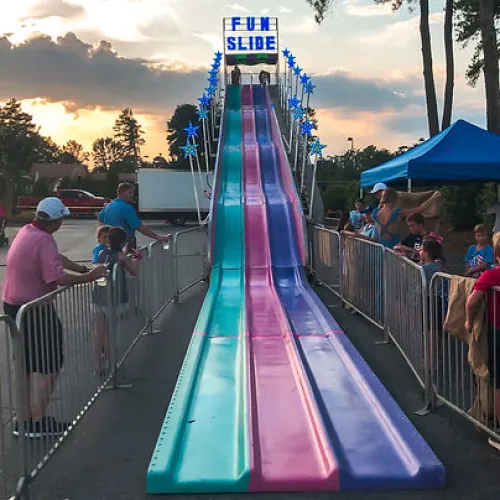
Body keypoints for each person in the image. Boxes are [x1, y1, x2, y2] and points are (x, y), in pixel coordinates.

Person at [3, 197, 107, 438]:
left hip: (14, 305)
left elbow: (56, 258)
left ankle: (24, 418)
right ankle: (37, 421)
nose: (63, 221)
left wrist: (82, 269)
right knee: (51, 361)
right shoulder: (43, 239)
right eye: (62, 218)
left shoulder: (27, 231)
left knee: (25, 363)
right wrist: (89, 278)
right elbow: (57, 279)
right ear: (55, 220)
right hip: (34, 308)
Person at [466, 234, 500, 451]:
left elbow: (472, 300)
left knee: (498, 383)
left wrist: (469, 320)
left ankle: (498, 430)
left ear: (496, 254)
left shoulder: (492, 274)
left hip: (497, 330)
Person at [92, 227, 140, 377]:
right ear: (123, 241)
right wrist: (136, 259)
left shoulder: (101, 253)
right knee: (112, 332)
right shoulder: (121, 256)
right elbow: (134, 271)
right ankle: (113, 363)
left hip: (99, 296)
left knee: (100, 332)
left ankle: (98, 365)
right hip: (114, 297)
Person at [98, 183, 170, 251]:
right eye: (130, 192)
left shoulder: (109, 206)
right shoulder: (126, 208)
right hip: (125, 245)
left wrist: (106, 234)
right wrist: (157, 237)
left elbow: (100, 217)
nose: (132, 195)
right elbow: (139, 227)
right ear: (122, 193)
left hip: (110, 245)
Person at [372, 187, 441, 249]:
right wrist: (434, 197)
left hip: (381, 249)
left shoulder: (375, 214)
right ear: (394, 199)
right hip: (394, 251)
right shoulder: (397, 213)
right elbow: (420, 209)